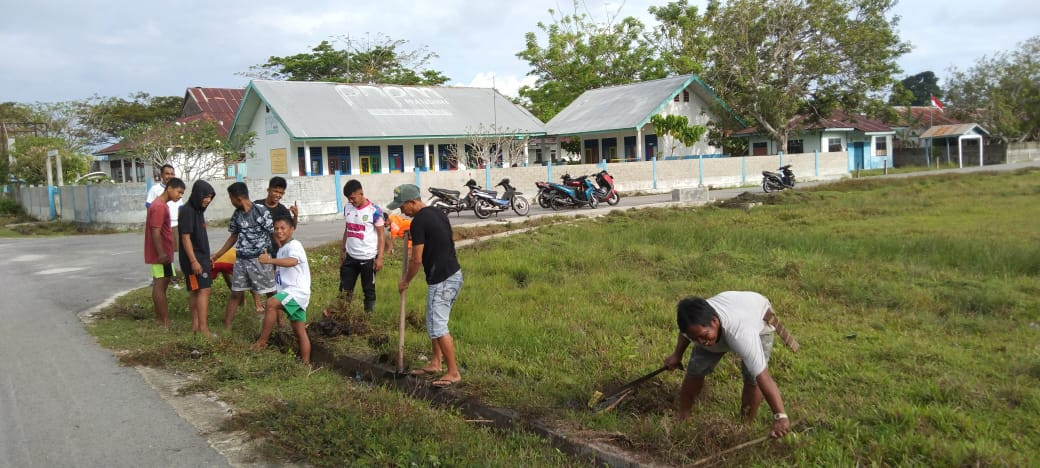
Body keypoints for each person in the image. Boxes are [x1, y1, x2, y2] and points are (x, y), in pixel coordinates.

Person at [662, 291, 792, 439]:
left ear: (714, 322)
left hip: (758, 318)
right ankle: (683, 417)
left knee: (752, 378)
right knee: (695, 369)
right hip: (729, 315)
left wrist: (781, 416)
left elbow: (763, 377)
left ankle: (744, 426)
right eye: (695, 338)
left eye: (704, 336)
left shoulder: (742, 335)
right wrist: (677, 355)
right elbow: (686, 333)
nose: (701, 342)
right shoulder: (695, 320)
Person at [390, 184, 463, 388]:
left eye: (403, 206)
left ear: (413, 202)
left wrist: (405, 281)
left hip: (441, 279)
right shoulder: (437, 213)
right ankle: (435, 362)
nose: (401, 210)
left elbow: (416, 259)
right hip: (454, 273)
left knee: (438, 325)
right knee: (433, 320)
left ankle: (453, 372)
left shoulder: (419, 222)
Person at [211, 182, 276, 331]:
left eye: (231, 198)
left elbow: (272, 234)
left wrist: (274, 258)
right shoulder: (237, 214)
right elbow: (233, 237)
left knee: (271, 292)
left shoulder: (261, 211)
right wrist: (218, 255)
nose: (231, 201)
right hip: (241, 261)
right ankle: (227, 327)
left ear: (238, 198)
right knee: (236, 293)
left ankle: (281, 323)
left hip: (260, 259)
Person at [252, 216, 311, 365]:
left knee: (271, 303)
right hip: (293, 294)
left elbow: (293, 261)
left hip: (296, 292)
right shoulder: (282, 249)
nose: (279, 231)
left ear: (292, 229)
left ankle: (262, 342)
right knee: (299, 331)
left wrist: (270, 260)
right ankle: (305, 364)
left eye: (283, 228)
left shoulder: (294, 245)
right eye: (276, 228)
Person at [144, 176, 185, 327]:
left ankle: (161, 318)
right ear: (169, 188)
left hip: (164, 253)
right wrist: (161, 253)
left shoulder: (161, 205)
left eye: (182, 194)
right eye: (179, 192)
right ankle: (164, 319)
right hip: (160, 255)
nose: (180, 196)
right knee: (160, 285)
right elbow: (155, 231)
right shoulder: (159, 206)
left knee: (163, 282)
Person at [339, 179, 386, 313]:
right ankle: (343, 317)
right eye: (348, 199)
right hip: (350, 257)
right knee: (344, 290)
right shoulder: (347, 207)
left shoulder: (375, 211)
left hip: (368, 259)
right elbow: (347, 229)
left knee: (368, 290)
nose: (351, 201)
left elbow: (381, 235)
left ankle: (368, 318)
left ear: (361, 193)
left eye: (353, 198)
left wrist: (380, 257)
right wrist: (342, 250)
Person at [178, 180, 216, 337]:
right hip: (194, 260)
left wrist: (207, 258)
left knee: (195, 290)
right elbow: (185, 238)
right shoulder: (188, 211)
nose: (207, 200)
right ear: (197, 195)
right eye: (205, 196)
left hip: (200, 258)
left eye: (210, 197)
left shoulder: (198, 210)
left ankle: (195, 325)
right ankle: (203, 328)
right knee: (204, 290)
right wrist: (194, 261)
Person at [255, 176, 299, 255]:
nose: (278, 195)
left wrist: (295, 216)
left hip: (276, 250)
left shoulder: (283, 210)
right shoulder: (257, 206)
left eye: (281, 193)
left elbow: (292, 228)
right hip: (257, 250)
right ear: (268, 190)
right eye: (275, 191)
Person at [212, 248, 264, 313]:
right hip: (235, 255)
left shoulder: (213, 264)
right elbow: (228, 280)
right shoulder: (217, 262)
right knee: (240, 283)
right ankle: (245, 303)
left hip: (235, 260)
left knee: (245, 283)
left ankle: (258, 305)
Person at [146, 164, 183, 255]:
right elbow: (149, 207)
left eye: (172, 174)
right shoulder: (155, 189)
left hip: (175, 224)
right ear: (161, 175)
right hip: (162, 226)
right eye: (167, 174)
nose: (170, 176)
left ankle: (173, 268)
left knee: (176, 251)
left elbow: (180, 208)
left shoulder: (177, 190)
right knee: (163, 250)